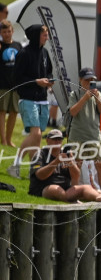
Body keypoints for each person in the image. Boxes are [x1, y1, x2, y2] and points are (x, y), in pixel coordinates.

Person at [9, 24, 52, 179]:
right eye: (44, 35)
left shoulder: (45, 53)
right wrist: (36, 82)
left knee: (37, 137)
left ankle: (34, 171)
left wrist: (49, 81)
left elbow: (49, 72)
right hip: (27, 99)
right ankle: (15, 165)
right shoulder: (24, 53)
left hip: (42, 99)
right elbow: (16, 79)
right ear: (36, 36)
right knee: (36, 133)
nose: (47, 38)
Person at [29, 129, 101, 202]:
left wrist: (71, 163)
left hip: (66, 188)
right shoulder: (40, 154)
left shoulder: (66, 154)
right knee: (55, 189)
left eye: (59, 139)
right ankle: (73, 201)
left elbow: (76, 177)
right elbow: (40, 175)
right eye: (54, 139)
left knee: (85, 188)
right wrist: (56, 162)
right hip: (44, 188)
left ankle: (100, 198)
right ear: (47, 140)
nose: (57, 141)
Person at [67, 67, 101, 197]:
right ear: (80, 80)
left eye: (92, 80)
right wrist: (85, 98)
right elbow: (73, 112)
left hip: (94, 135)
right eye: (87, 80)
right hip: (78, 135)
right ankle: (74, 195)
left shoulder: (98, 94)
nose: (89, 82)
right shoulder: (74, 94)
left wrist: (97, 98)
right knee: (77, 166)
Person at [0, 20, 21, 148]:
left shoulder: (18, 45)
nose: (7, 34)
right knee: (1, 112)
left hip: (16, 85)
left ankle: (9, 139)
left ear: (12, 31)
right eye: (4, 32)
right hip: (2, 84)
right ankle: (3, 140)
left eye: (9, 31)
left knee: (14, 112)